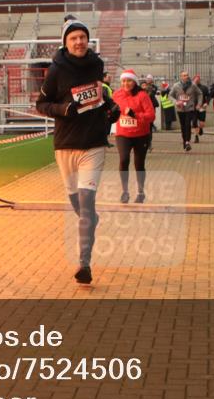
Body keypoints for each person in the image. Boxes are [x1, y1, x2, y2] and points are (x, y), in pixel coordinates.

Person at [35, 16, 120, 285]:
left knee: (86, 204)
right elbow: (41, 104)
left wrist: (110, 108)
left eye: (82, 37)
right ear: (65, 42)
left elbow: (98, 94)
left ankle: (84, 264)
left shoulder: (96, 64)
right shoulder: (56, 70)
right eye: (73, 38)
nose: (79, 41)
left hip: (93, 144)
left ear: (88, 40)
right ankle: (91, 221)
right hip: (65, 145)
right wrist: (63, 109)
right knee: (79, 206)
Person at [112, 69, 155, 204]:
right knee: (124, 160)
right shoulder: (117, 95)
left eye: (129, 80)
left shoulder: (142, 96)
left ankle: (140, 192)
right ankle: (125, 191)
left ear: (134, 82)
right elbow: (110, 111)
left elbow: (151, 116)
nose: (126, 83)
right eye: (123, 81)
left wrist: (135, 115)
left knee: (139, 164)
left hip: (141, 135)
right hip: (123, 134)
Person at [170, 71, 202, 151]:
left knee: (188, 125)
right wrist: (176, 102)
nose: (186, 76)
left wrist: (199, 104)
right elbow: (170, 96)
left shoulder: (193, 85)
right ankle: (185, 141)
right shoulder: (176, 85)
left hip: (189, 108)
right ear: (181, 77)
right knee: (183, 126)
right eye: (184, 75)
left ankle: (187, 142)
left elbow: (200, 93)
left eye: (187, 75)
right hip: (180, 109)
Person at [192, 74, 209, 143]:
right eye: (195, 79)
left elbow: (208, 96)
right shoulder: (191, 88)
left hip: (202, 107)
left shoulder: (204, 88)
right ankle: (196, 137)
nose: (197, 80)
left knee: (202, 123)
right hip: (193, 108)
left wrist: (206, 103)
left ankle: (201, 128)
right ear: (193, 80)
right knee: (194, 122)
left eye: (198, 79)